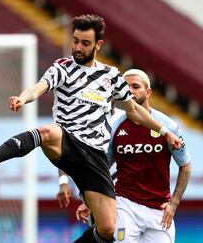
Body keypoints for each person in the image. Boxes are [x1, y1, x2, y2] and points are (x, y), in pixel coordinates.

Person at [0, 14, 183, 243]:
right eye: (76, 41)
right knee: (47, 132)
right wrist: (23, 97)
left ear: (98, 45)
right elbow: (40, 87)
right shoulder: (62, 68)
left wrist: (164, 131)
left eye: (85, 43)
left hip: (95, 157)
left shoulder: (111, 76)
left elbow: (134, 110)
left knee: (108, 230)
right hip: (67, 142)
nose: (78, 47)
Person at [65, 69, 191, 243]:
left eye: (135, 86)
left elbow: (185, 165)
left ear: (148, 92)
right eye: (126, 86)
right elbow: (103, 167)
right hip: (125, 205)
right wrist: (90, 202)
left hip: (159, 209)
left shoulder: (168, 127)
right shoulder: (113, 127)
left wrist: (174, 203)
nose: (130, 90)